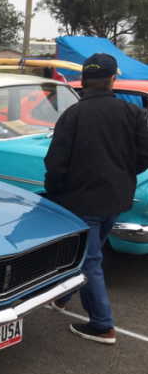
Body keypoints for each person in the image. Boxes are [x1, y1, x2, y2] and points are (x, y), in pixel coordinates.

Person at [45, 53, 148, 344]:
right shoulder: (133, 113)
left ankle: (102, 325)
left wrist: (55, 192)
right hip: (117, 199)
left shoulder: (72, 115)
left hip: (81, 201)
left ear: (84, 81)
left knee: (88, 259)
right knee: (88, 254)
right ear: (113, 79)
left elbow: (55, 163)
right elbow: (144, 156)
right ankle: (62, 297)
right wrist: (122, 174)